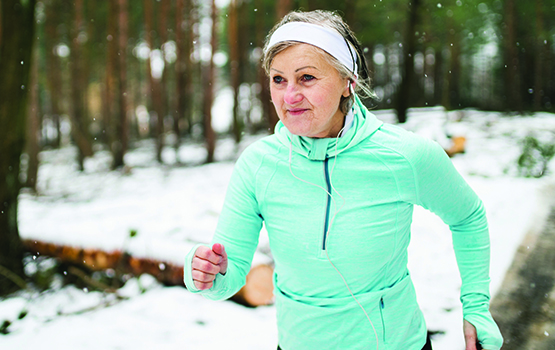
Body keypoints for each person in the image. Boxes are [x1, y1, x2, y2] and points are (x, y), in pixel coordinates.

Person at [183, 9, 503, 350]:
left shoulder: (404, 156)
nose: (289, 96)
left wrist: (476, 305)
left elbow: (467, 216)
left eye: (306, 78)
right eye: (279, 79)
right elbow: (228, 274)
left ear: (348, 82)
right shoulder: (258, 165)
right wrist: (204, 271)